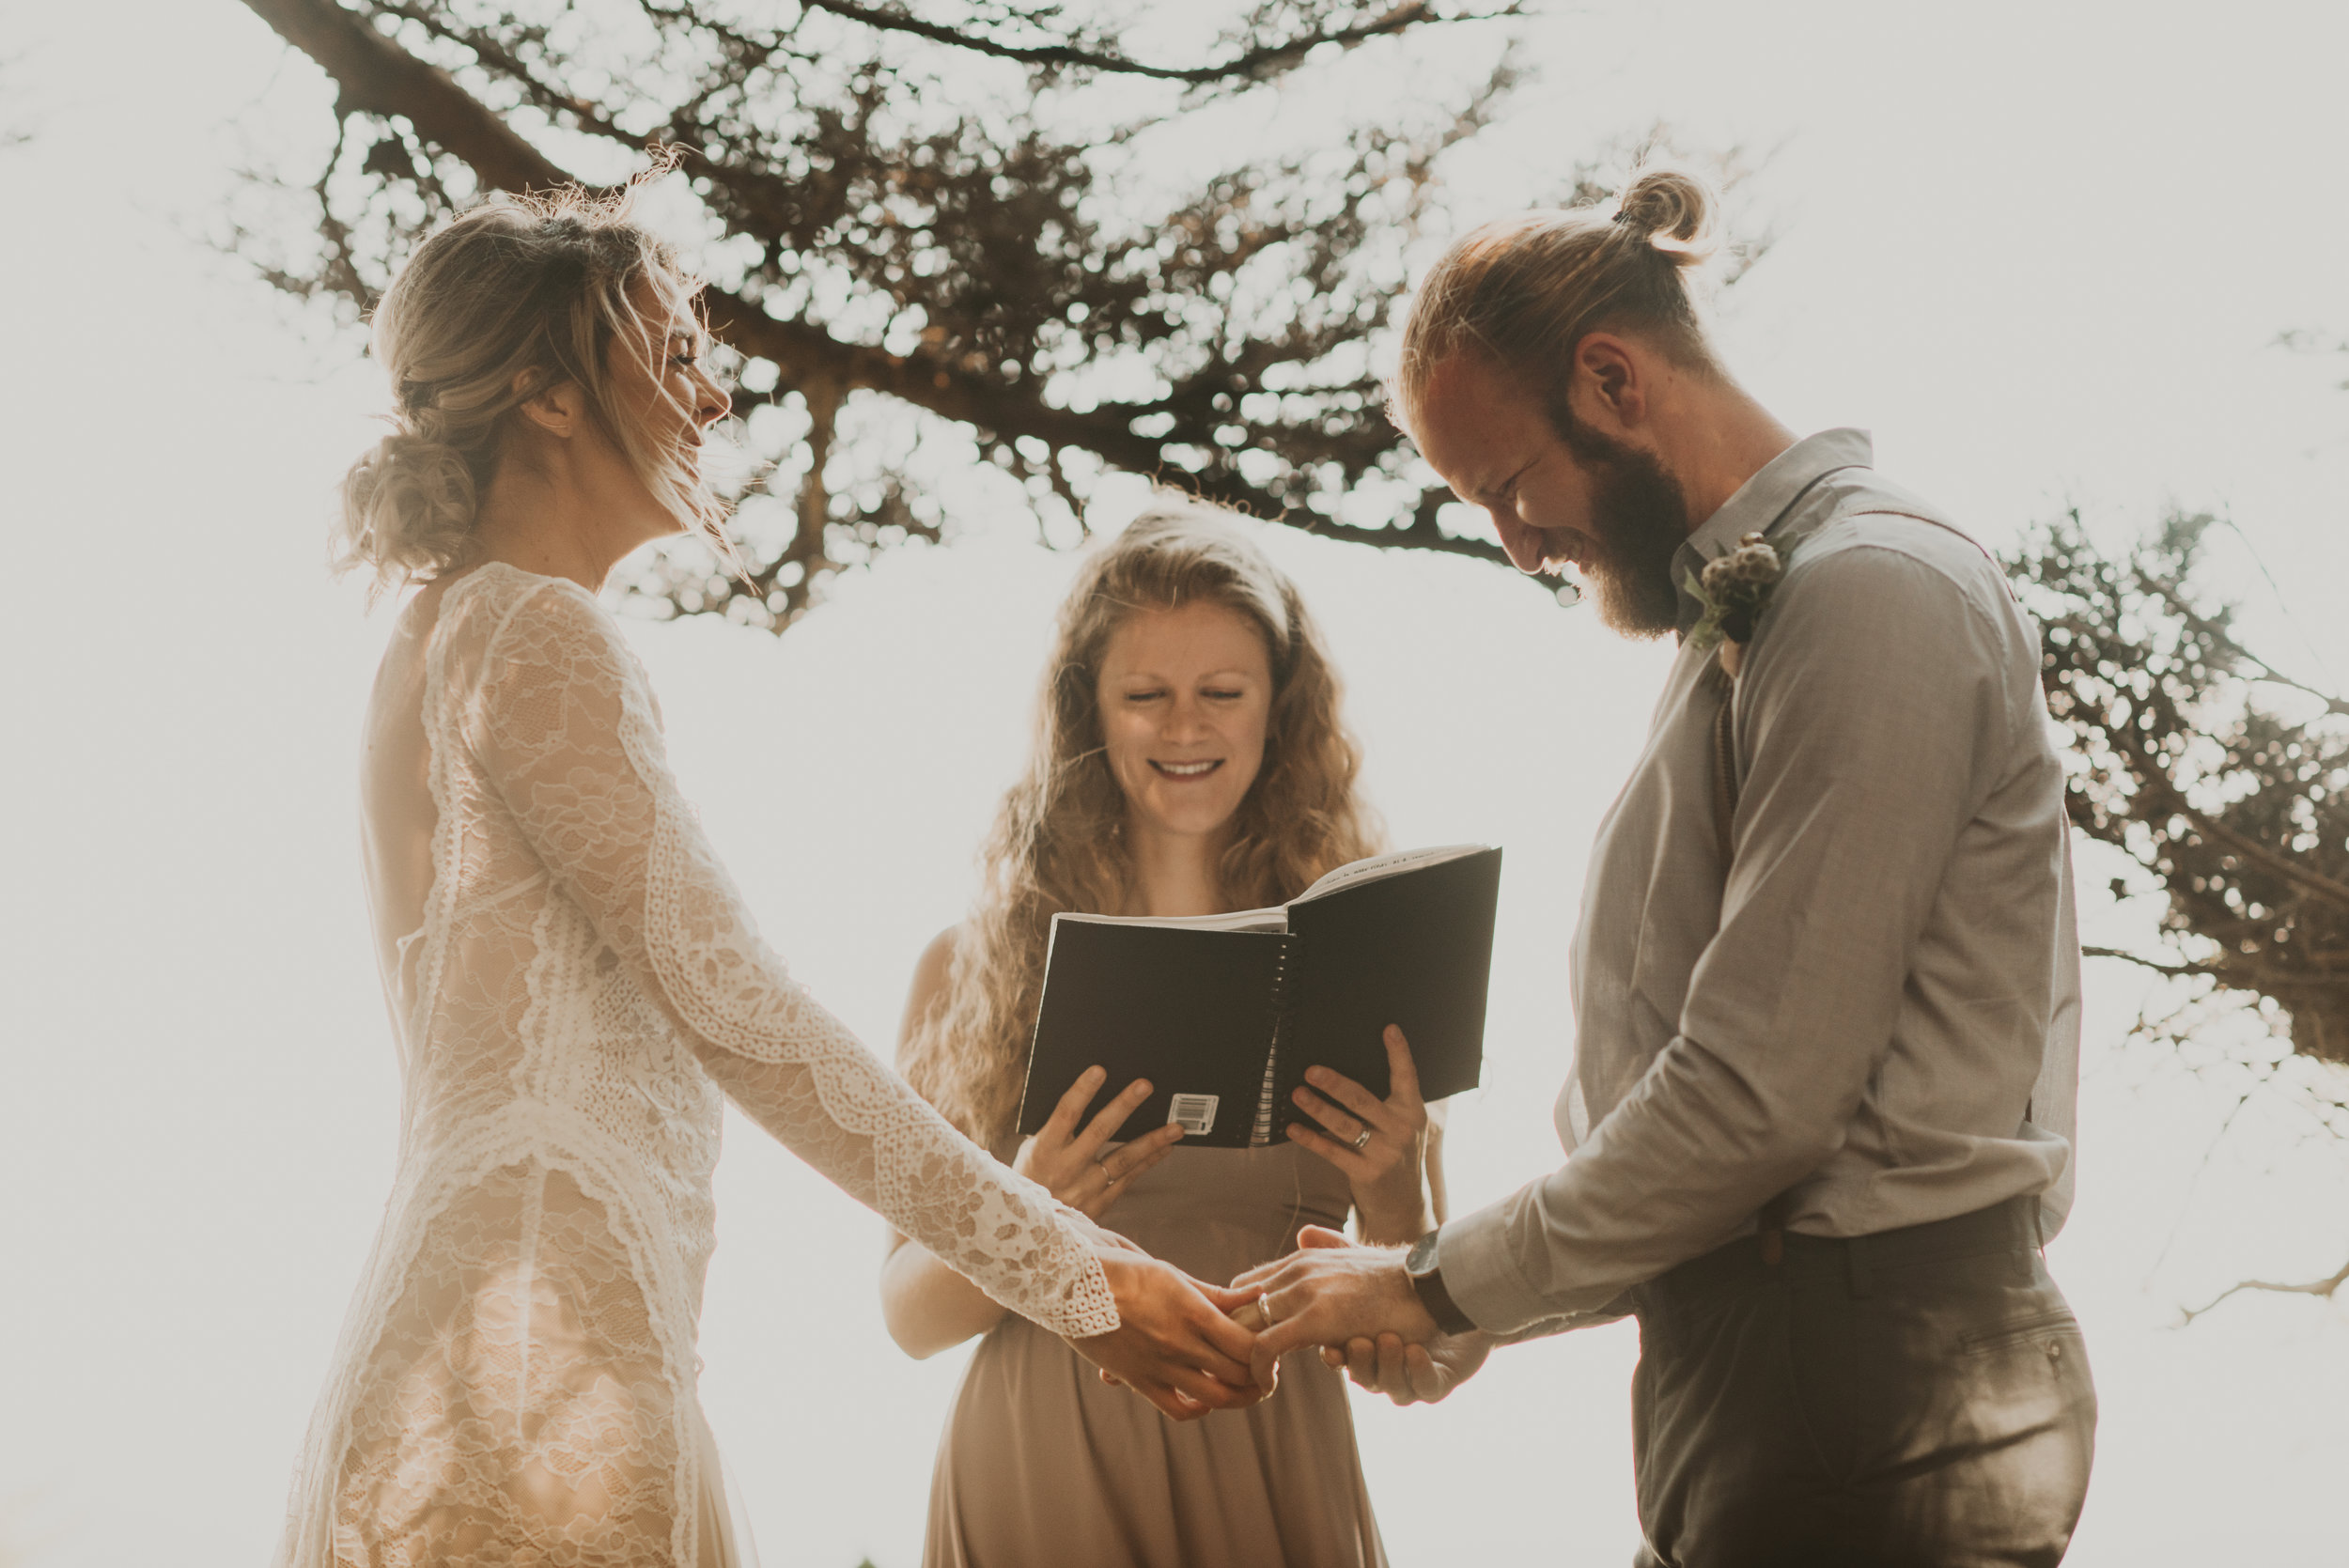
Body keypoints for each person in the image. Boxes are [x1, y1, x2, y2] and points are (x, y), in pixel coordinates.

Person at [273, 185, 1266, 1568]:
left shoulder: (435, 640)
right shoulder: (535, 633)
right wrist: (1083, 1275)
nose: (716, 398)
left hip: (492, 1329)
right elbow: (749, 1016)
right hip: (532, 1361)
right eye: (674, 354)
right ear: (548, 395)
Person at [1236, 168, 2098, 1567]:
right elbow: (1709, 1145)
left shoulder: (1871, 591)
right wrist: (1453, 1305)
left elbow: (1759, 1099)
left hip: (1876, 1388)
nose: (1518, 546)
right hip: (1776, 1378)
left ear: (1612, 379)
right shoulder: (1749, 620)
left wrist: (1439, 1284)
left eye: (1510, 486)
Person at [882, 503, 1439, 1568]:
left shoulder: (1368, 964)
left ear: (1280, 708)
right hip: (1042, 1480)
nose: (1185, 729)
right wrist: (1024, 1204)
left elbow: (1433, 1359)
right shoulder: (970, 967)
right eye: (1145, 696)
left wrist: (1399, 1197)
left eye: (1222, 694)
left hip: (1275, 1479)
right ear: (1087, 713)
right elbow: (907, 1314)